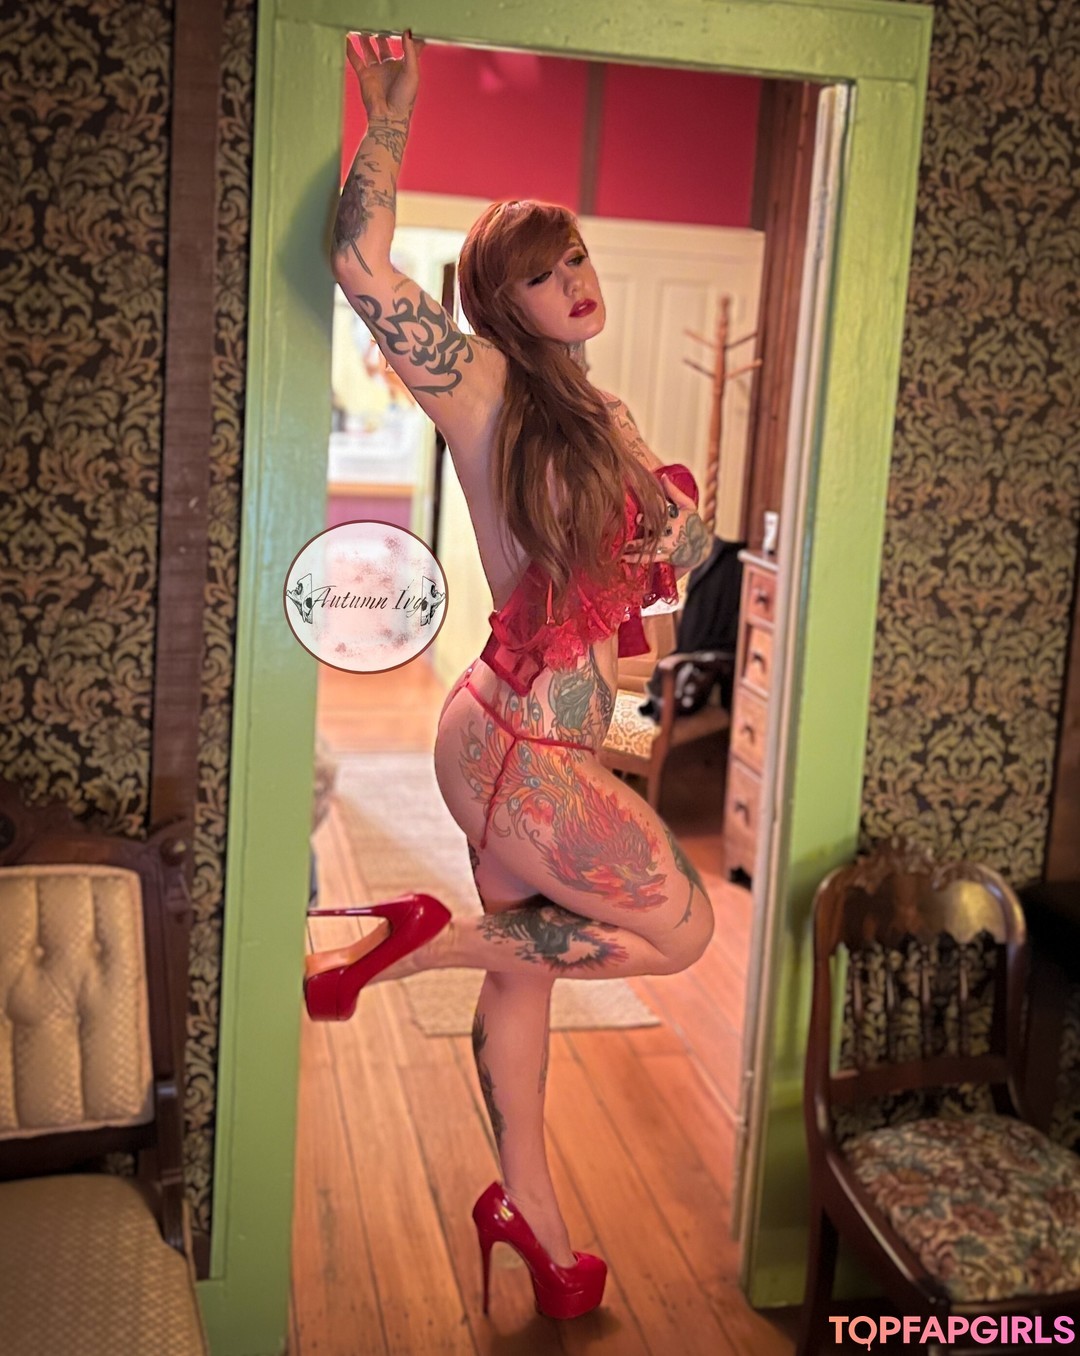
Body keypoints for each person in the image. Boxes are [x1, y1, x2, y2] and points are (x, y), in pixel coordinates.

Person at [304, 31, 716, 1321]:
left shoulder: (605, 413)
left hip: (530, 739)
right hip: (519, 751)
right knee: (686, 932)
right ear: (499, 302)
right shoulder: (482, 388)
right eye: (539, 274)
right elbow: (356, 262)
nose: (573, 282)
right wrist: (393, 111)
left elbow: (665, 568)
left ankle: (532, 1226)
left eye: (574, 256)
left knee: (526, 978)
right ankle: (417, 943)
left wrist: (674, 538)